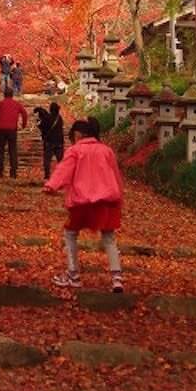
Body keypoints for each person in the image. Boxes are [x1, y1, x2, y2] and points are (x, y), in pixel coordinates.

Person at [44, 118, 125, 292]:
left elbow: (64, 170)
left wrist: (52, 185)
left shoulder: (76, 150)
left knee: (71, 233)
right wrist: (119, 197)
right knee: (109, 237)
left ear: (78, 134)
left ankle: (73, 274)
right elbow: (115, 174)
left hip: (82, 200)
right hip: (107, 200)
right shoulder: (107, 151)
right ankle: (117, 278)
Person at [0, 86, 28, 180]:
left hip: (0, 129)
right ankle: (13, 172)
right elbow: (24, 113)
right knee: (13, 150)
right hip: (12, 129)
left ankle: (0, 171)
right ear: (12, 95)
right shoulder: (17, 104)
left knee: (0, 151)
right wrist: (23, 124)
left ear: (4, 94)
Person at [34, 101, 65, 180]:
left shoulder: (48, 117)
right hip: (59, 142)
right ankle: (62, 175)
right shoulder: (59, 118)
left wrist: (38, 123)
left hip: (49, 142)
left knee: (47, 159)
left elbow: (42, 127)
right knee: (60, 160)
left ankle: (47, 175)